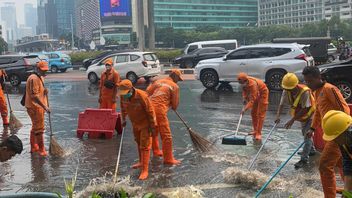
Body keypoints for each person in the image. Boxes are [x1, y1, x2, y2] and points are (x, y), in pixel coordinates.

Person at [302, 66, 350, 198]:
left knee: (324, 165)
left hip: (339, 133)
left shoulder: (330, 89)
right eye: (306, 81)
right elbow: (318, 112)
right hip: (329, 133)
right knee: (341, 162)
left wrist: (341, 132)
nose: (308, 84)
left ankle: (329, 195)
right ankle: (348, 189)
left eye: (310, 81)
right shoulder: (316, 92)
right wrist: (312, 128)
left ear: (319, 78)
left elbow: (345, 110)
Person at [275, 73, 316, 169]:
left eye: (290, 88)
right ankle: (311, 150)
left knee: (307, 135)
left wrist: (292, 120)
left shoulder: (304, 92)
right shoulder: (286, 90)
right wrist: (278, 116)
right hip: (301, 115)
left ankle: (303, 159)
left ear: (295, 85)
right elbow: (281, 104)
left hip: (311, 113)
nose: (288, 90)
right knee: (304, 133)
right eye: (286, 88)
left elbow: (306, 108)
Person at [119, 79, 156, 180]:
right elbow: (122, 108)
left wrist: (153, 127)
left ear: (131, 89)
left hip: (145, 124)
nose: (123, 95)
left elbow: (150, 112)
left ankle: (145, 170)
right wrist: (123, 119)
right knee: (138, 142)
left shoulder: (142, 96)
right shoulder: (122, 95)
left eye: (125, 93)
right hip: (135, 123)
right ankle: (141, 162)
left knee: (145, 146)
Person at [146, 69, 182, 165]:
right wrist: (170, 102)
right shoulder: (175, 86)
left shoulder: (158, 82)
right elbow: (175, 106)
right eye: (178, 78)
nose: (178, 81)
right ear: (174, 76)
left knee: (154, 131)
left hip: (149, 109)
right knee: (167, 136)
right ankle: (168, 159)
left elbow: (147, 93)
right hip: (159, 110)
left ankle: (157, 151)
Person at [322, 110, 352, 193]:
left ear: (344, 132)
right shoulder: (343, 140)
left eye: (335, 137)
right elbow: (348, 162)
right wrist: (347, 190)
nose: (334, 140)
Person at [25, 61, 50, 156]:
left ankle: (34, 147)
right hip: (35, 107)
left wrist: (44, 92)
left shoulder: (40, 77)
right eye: (43, 70)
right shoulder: (33, 78)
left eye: (45, 70)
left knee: (35, 127)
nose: (44, 72)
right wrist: (45, 106)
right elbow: (34, 96)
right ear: (38, 69)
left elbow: (39, 92)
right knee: (39, 129)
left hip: (38, 107)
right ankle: (41, 150)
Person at [237, 72, 269, 140]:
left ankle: (258, 133)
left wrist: (244, 109)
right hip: (256, 94)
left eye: (242, 83)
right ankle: (255, 130)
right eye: (240, 83)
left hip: (263, 93)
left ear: (245, 81)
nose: (241, 85)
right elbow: (245, 91)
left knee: (260, 114)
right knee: (253, 113)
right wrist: (245, 98)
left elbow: (252, 100)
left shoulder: (253, 84)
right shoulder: (244, 83)